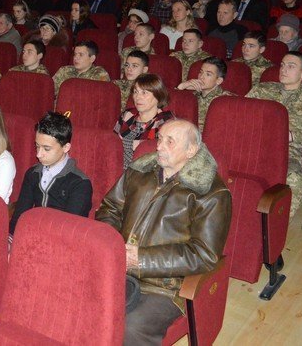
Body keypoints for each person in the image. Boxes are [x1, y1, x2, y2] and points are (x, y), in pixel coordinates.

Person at [97, 119, 231, 345]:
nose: (159, 146)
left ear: (191, 150)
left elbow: (203, 254)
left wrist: (141, 259)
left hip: (165, 286)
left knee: (130, 327)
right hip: (117, 267)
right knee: (78, 299)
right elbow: (109, 208)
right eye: (159, 138)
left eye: (170, 141)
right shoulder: (139, 171)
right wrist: (115, 247)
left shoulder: (211, 194)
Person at [246, 52, 302, 215]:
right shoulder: (263, 89)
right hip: (252, 147)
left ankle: (277, 225)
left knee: (296, 180)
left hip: (287, 152)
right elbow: (240, 113)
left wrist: (295, 136)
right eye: (282, 65)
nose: (283, 69)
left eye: (291, 66)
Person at [9, 112, 92, 235]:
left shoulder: (80, 184)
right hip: (31, 236)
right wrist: (11, 239)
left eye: (46, 148)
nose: (38, 154)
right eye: (37, 146)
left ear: (66, 147)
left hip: (60, 242)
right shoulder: (33, 174)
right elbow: (19, 217)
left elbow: (70, 232)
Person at [114, 73, 174, 169]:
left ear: (158, 96)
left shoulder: (165, 122)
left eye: (144, 93)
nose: (138, 97)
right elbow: (113, 142)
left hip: (144, 172)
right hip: (117, 168)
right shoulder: (127, 115)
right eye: (135, 92)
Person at [177, 57, 234, 130]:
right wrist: (181, 87)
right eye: (201, 72)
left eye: (208, 74)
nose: (201, 77)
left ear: (219, 80)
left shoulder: (227, 101)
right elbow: (171, 109)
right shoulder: (192, 95)